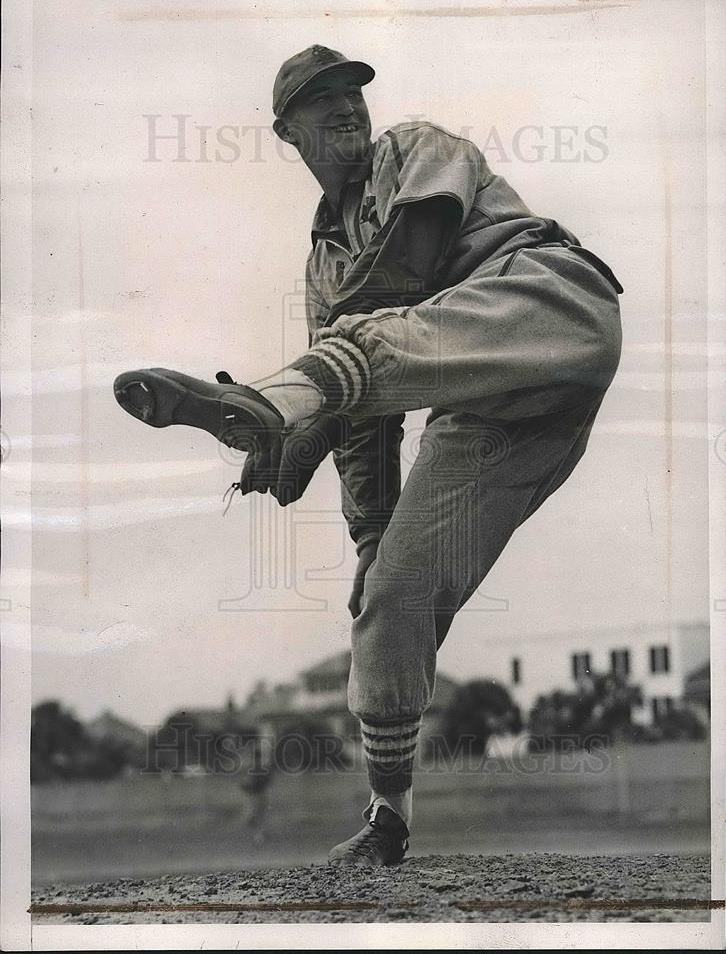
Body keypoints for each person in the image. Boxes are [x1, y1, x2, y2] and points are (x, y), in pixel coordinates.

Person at [114, 45, 623, 867]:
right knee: (390, 598)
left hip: (547, 310)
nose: (347, 105)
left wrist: (297, 421)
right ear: (288, 133)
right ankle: (390, 818)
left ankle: (271, 405)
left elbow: (410, 265)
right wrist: (368, 537)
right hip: (492, 414)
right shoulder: (321, 268)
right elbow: (365, 428)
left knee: (349, 355)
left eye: (353, 90)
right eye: (322, 100)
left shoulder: (412, 151)